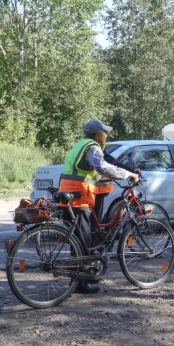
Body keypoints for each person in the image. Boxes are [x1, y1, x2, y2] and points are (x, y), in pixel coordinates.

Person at [58, 119, 139, 293]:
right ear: (98, 134)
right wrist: (127, 174)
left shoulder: (80, 144)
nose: (107, 136)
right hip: (78, 196)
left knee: (80, 240)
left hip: (71, 193)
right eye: (105, 133)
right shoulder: (92, 147)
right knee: (84, 241)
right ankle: (80, 284)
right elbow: (102, 167)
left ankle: (79, 281)